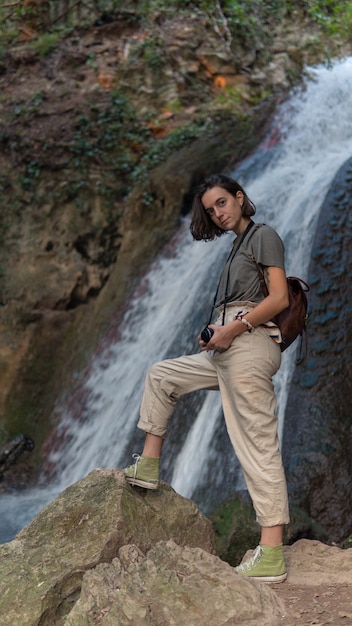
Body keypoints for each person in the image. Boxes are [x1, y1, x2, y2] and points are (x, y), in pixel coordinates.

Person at [124, 173, 290, 583]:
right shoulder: (235, 249)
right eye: (210, 209)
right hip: (227, 350)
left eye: (222, 202)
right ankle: (148, 466)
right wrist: (214, 334)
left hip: (249, 347)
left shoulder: (263, 235)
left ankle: (271, 552)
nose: (217, 213)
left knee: (257, 442)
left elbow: (279, 298)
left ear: (239, 197)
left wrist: (231, 330)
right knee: (162, 375)